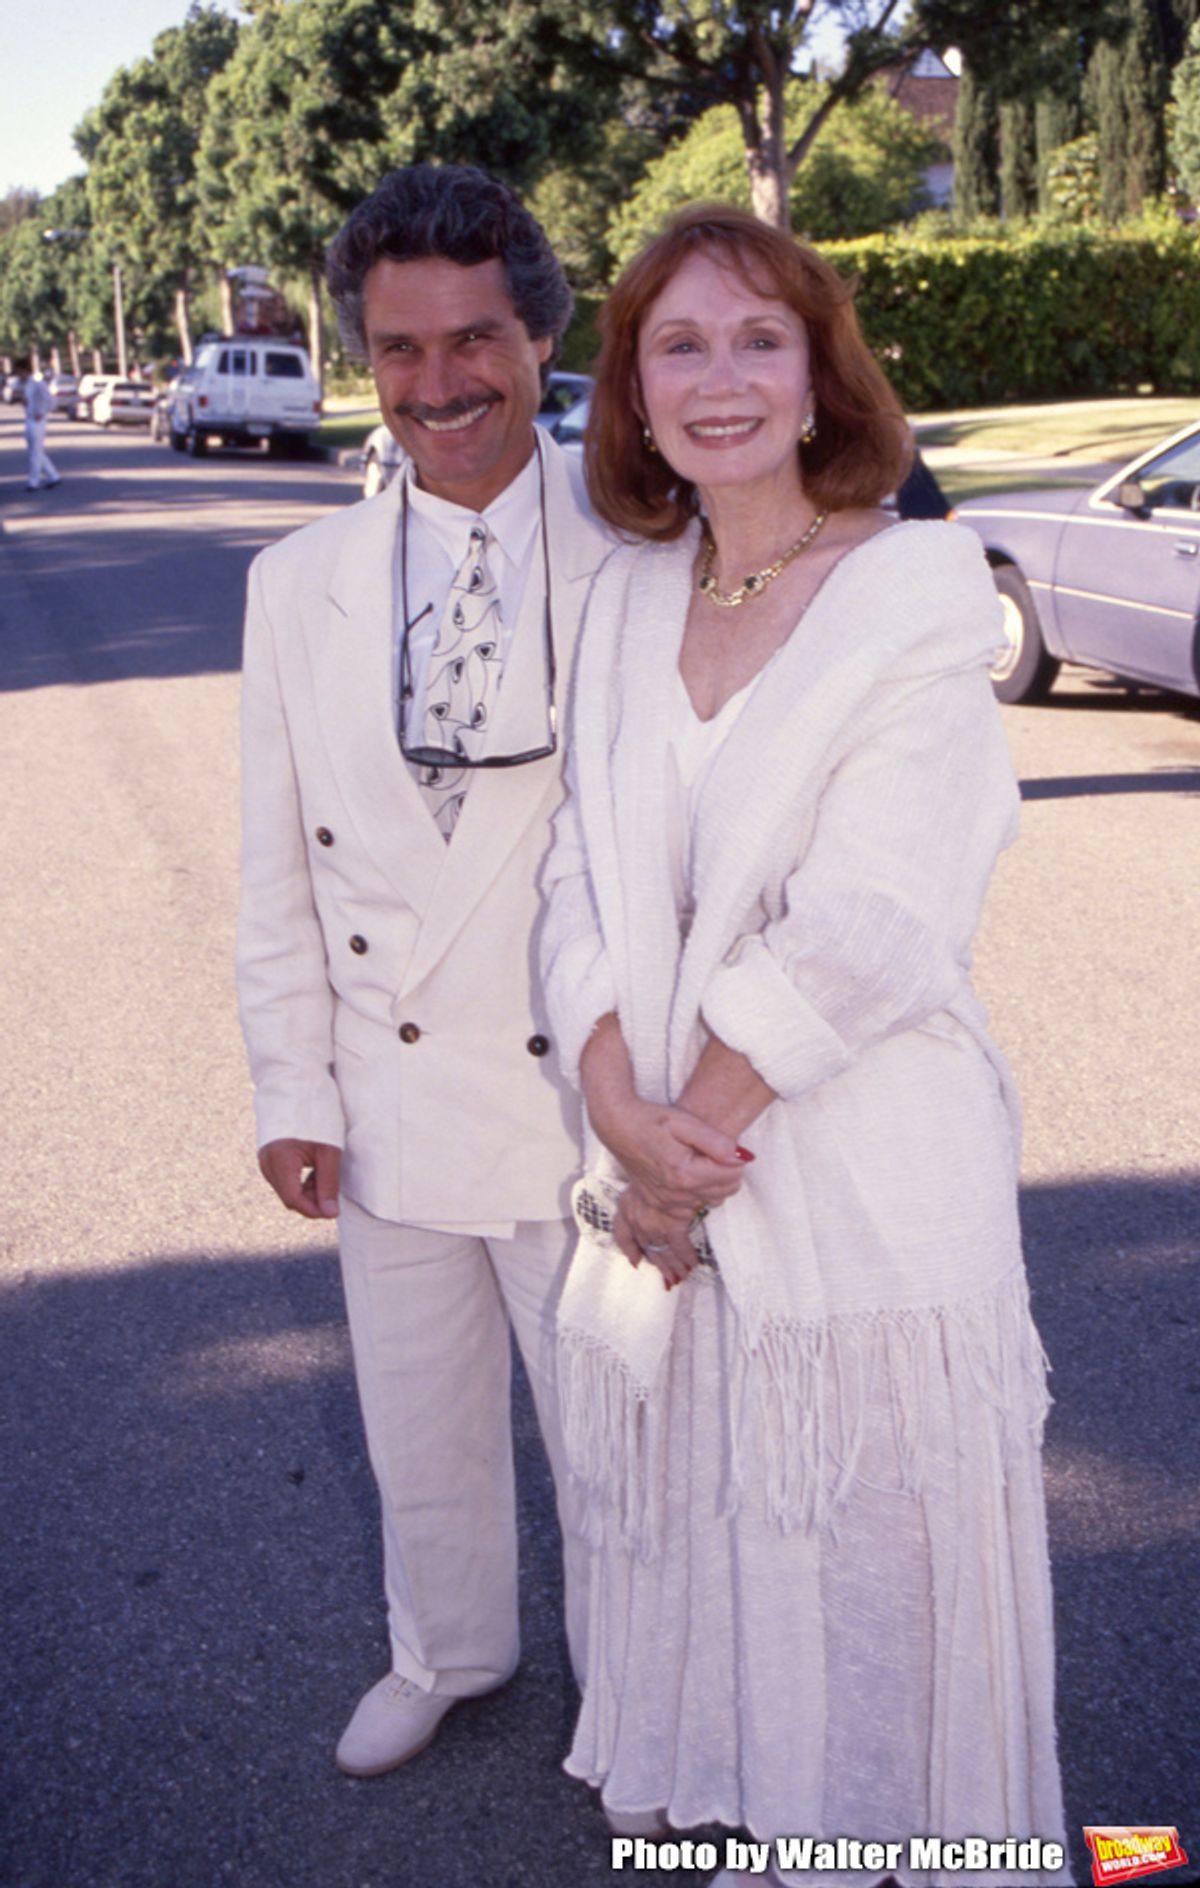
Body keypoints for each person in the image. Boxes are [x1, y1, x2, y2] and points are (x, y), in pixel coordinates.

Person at [539, 205, 1070, 1887]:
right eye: (677, 345)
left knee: (874, 1568)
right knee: (726, 1534)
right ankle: (758, 1820)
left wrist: (671, 1165)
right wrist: (610, 1093)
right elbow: (574, 873)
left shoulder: (912, 588)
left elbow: (879, 918)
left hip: (856, 1177)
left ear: (821, 374)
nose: (720, 379)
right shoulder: (629, 597)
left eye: (759, 338)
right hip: (669, 1160)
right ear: (631, 392)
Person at [236, 164, 610, 1781]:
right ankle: (444, 1649)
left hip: (579, 1101)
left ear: (540, 338)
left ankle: (639, 1693)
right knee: (419, 1423)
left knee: (616, 1446)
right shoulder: (293, 583)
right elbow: (276, 869)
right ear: (362, 358)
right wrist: (290, 1088)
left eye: (473, 340)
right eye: (400, 347)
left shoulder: (643, 547)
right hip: (387, 1100)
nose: (438, 383)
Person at [22, 361, 60, 491]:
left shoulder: (38, 383)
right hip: (29, 419)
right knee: (36, 451)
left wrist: (42, 412)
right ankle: (53, 475)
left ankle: (33, 482)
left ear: (25, 371)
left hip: (37, 421)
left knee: (35, 454)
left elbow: (50, 401)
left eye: (19, 372)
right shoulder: (27, 384)